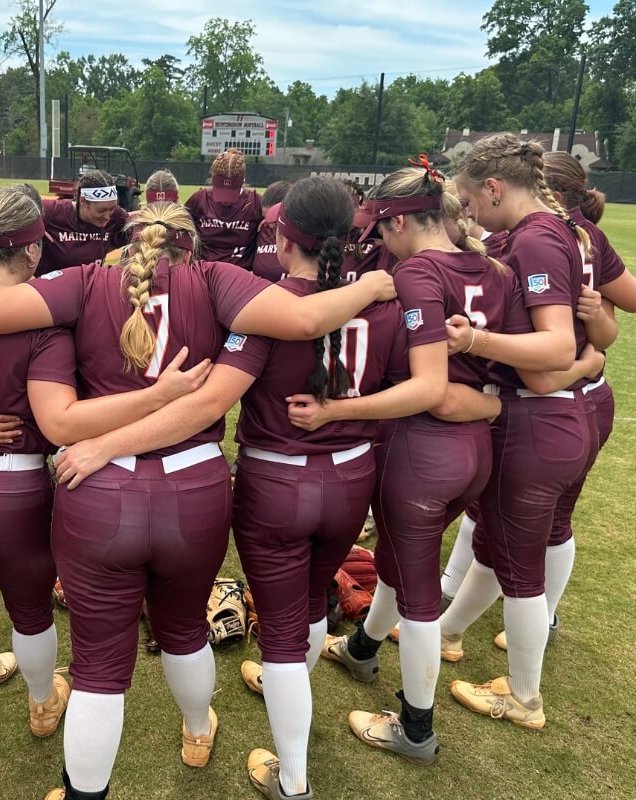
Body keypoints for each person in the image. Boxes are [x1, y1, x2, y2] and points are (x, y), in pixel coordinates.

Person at [0, 200, 395, 800]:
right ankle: (195, 729)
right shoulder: (216, 279)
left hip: (98, 492)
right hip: (194, 487)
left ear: (127, 242)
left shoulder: (86, 279)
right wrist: (370, 283)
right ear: (190, 244)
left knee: (99, 669)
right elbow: (307, 319)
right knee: (185, 631)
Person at [80, 176, 409, 799]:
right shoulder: (383, 300)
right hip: (352, 475)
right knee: (311, 605)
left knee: (283, 633)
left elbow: (211, 400)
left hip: (278, 480)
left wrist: (104, 444)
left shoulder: (265, 305)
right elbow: (406, 391)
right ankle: (293, 697)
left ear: (284, 238)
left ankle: (295, 781)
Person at [0, 187, 212, 800]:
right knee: (32, 614)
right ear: (33, 251)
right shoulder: (44, 319)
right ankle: (42, 704)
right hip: (14, 486)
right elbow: (60, 419)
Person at [433, 132, 602, 730]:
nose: (471, 210)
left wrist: (473, 340)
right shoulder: (558, 231)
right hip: (552, 415)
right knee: (496, 543)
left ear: (495, 186)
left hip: (535, 418)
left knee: (521, 569)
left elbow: (556, 345)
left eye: (472, 198)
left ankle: (525, 697)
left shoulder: (536, 239)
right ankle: (449, 632)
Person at [38, 170, 130, 275]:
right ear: (82, 201)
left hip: (88, 289)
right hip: (50, 288)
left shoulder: (117, 217)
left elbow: (141, 236)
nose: (107, 216)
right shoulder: (52, 212)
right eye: (101, 211)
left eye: (112, 209)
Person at [185, 148, 263, 270]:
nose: (225, 200)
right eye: (221, 191)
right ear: (212, 178)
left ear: (243, 180)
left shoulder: (255, 203)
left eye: (232, 192)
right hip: (203, 274)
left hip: (241, 277)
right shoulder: (199, 199)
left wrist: (269, 220)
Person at [251, 180, 292, 282]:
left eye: (273, 217)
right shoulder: (262, 228)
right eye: (266, 217)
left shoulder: (301, 236)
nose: (270, 224)